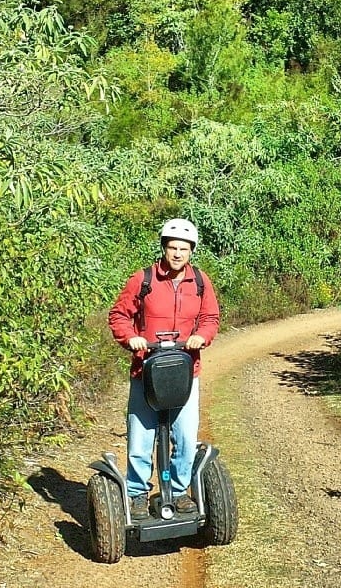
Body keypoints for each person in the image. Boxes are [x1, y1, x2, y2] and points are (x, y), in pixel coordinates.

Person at [108, 218, 220, 519]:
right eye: (173, 247)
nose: (178, 254)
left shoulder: (199, 281)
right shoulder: (143, 279)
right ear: (163, 248)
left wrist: (202, 337)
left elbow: (210, 317)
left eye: (184, 248)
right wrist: (131, 337)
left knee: (184, 436)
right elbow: (119, 315)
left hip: (184, 372)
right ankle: (137, 494)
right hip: (146, 371)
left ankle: (180, 491)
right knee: (141, 437)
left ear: (191, 251)